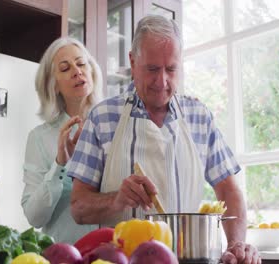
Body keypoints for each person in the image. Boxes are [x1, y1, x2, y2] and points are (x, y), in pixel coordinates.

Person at [68, 15, 261, 263]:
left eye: (171, 69)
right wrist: (116, 200)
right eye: (152, 69)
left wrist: (236, 243)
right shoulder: (102, 118)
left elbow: (229, 190)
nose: (162, 81)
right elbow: (78, 207)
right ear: (132, 61)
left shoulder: (199, 117)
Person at [21, 37, 102, 244]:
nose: (77, 71)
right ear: (53, 85)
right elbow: (34, 217)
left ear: (91, 70)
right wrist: (59, 164)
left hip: (114, 254)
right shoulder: (40, 137)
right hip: (64, 256)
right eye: (65, 68)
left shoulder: (115, 126)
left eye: (81, 63)